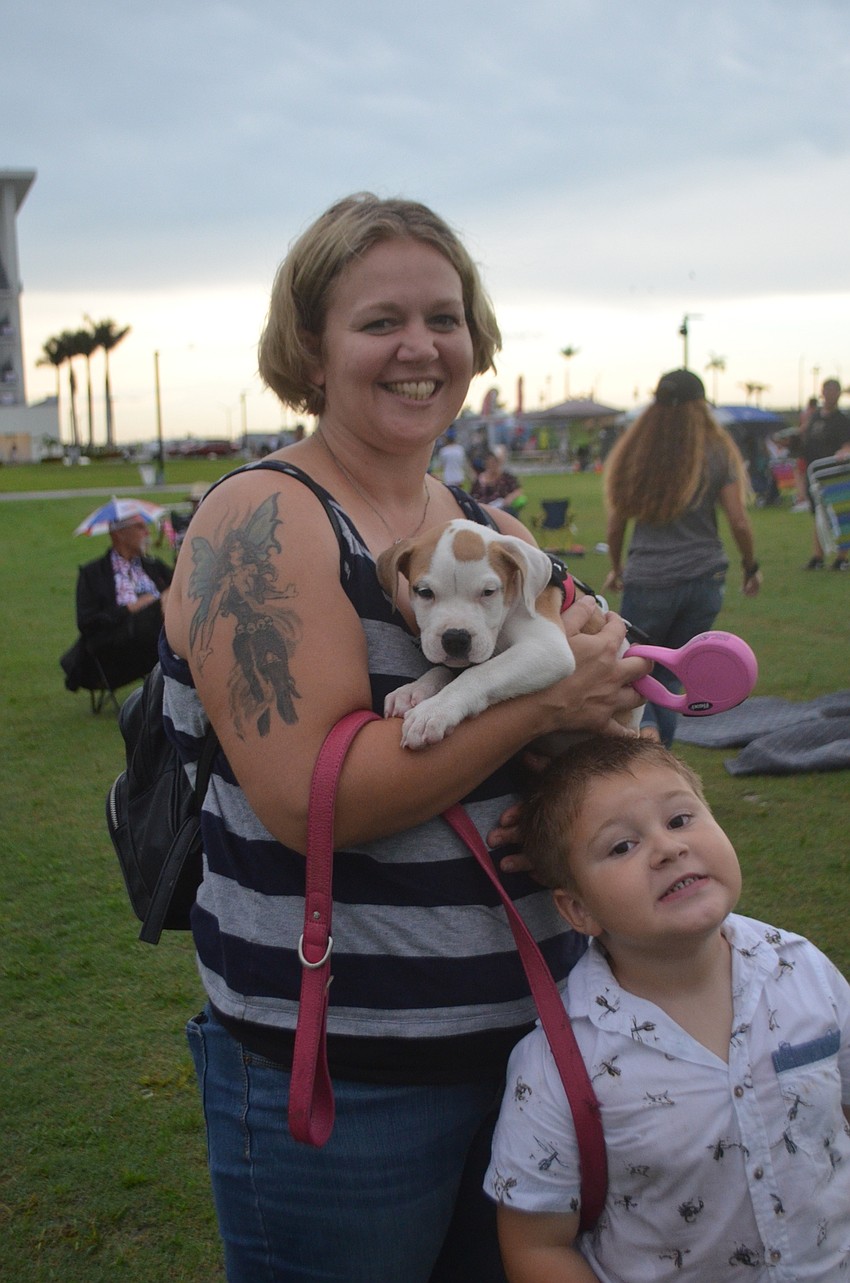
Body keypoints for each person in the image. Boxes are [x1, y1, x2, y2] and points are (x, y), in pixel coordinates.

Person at [160, 192, 649, 1283]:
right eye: (379, 320)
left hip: (536, 1043)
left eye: (444, 315)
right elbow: (307, 801)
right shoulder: (264, 516)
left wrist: (591, 720)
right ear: (311, 347)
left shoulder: (485, 525)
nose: (420, 346)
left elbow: (604, 693)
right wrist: (546, 697)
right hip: (349, 1077)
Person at [486, 735, 850, 1282]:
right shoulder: (558, 1064)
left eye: (680, 819)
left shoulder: (803, 969)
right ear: (578, 909)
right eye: (621, 847)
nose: (667, 848)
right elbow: (537, 1247)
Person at [601, 368, 761, 747]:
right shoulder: (717, 450)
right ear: (700, 406)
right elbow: (738, 520)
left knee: (637, 673)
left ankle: (649, 741)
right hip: (705, 580)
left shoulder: (636, 450)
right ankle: (659, 749)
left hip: (649, 579)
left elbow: (615, 522)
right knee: (674, 679)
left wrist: (617, 566)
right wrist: (750, 566)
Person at [61, 513, 172, 694]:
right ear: (119, 533)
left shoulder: (153, 566)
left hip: (156, 638)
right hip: (116, 647)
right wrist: (131, 608)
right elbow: (87, 623)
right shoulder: (94, 574)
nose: (147, 532)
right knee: (163, 604)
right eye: (140, 527)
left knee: (174, 595)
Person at [800, 377, 850, 569]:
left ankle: (841, 558)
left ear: (838, 394)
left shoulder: (842, 420)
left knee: (840, 515)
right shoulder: (815, 417)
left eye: (834, 391)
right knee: (818, 514)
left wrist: (844, 452)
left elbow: (847, 444)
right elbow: (805, 435)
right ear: (822, 393)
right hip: (815, 474)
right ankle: (818, 557)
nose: (830, 395)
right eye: (827, 391)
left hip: (835, 475)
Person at [472, 445, 526, 514]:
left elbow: (518, 490)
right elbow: (473, 496)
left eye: (494, 462)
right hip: (484, 510)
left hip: (501, 510)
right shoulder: (480, 479)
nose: (492, 465)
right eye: (490, 463)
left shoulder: (506, 477)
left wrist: (509, 498)